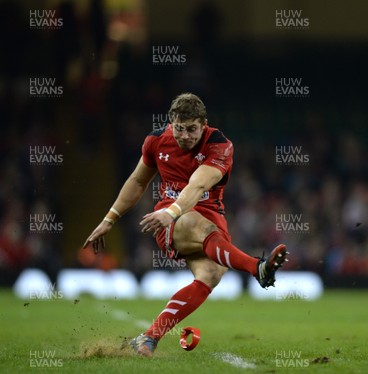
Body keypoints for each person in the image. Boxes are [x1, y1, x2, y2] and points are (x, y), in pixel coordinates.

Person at [83, 93, 289, 356]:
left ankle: (148, 338)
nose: (185, 136)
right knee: (192, 221)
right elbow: (137, 182)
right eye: (179, 129)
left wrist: (173, 210)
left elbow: (199, 184)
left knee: (210, 276)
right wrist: (109, 219)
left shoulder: (219, 144)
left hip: (206, 218)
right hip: (173, 222)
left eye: (192, 129)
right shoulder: (156, 141)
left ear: (203, 125)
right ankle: (257, 268)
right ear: (171, 122)